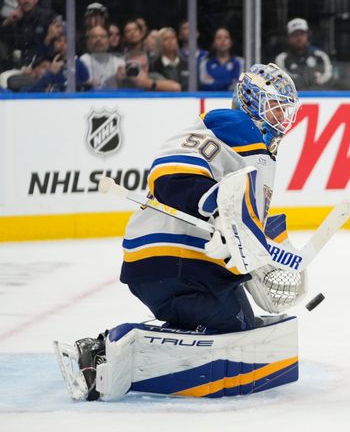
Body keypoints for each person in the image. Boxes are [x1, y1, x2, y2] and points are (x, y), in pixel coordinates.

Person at [55, 64, 305, 401]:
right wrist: (213, 207)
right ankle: (104, 347)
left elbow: (243, 229)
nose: (282, 116)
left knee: (240, 323)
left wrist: (265, 261)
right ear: (252, 101)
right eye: (276, 105)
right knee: (230, 324)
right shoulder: (227, 128)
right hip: (169, 259)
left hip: (192, 266)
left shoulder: (257, 151)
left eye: (286, 109)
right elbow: (169, 177)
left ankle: (113, 348)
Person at [275, 18, 333, 90]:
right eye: (295, 35)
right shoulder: (282, 58)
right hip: (291, 95)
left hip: (317, 95)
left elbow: (328, 76)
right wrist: (298, 80)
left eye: (302, 34)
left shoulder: (320, 55)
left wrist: (315, 80)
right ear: (288, 38)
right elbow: (280, 80)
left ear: (308, 35)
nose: (299, 38)